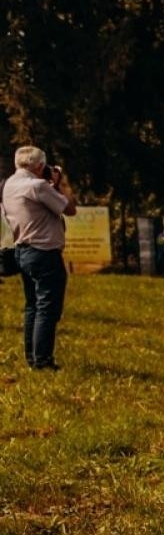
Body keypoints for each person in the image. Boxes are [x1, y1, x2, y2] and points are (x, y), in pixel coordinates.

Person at [2, 146, 77, 370]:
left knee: (32, 306)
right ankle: (43, 361)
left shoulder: (8, 185)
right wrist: (59, 182)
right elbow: (70, 208)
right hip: (44, 252)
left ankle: (32, 357)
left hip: (22, 250)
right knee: (48, 307)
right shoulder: (38, 186)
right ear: (39, 166)